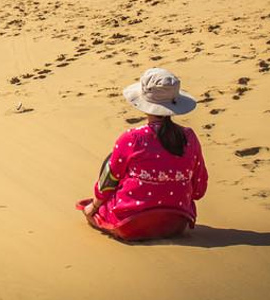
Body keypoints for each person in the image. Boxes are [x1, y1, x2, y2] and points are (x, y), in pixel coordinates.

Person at [81, 67, 208, 240]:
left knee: (108, 169)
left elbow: (111, 177)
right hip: (177, 222)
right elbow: (198, 190)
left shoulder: (132, 138)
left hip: (131, 224)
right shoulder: (189, 137)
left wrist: (94, 207)